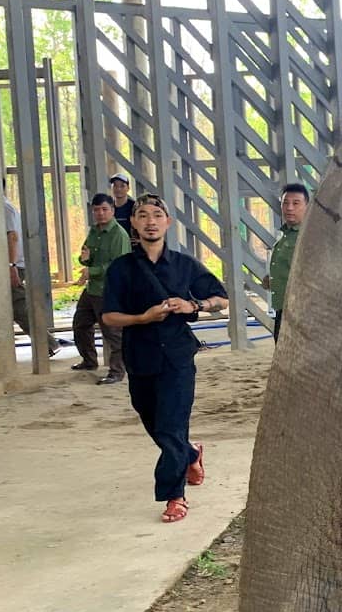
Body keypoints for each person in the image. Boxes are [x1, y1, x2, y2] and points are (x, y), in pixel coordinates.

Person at [102, 194, 228, 523]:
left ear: (168, 222)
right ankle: (192, 453)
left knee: (171, 427)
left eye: (157, 215)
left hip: (177, 357)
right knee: (154, 423)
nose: (151, 221)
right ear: (133, 222)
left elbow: (221, 299)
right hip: (139, 356)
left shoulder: (185, 264)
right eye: (143, 215)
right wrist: (142, 318)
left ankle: (174, 496)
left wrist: (193, 306)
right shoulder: (121, 268)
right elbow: (109, 316)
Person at [71, 192, 133, 383]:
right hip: (92, 289)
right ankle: (89, 361)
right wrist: (85, 260)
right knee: (80, 325)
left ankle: (117, 372)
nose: (100, 213)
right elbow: (85, 256)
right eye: (96, 210)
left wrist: (92, 271)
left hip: (109, 291)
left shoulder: (119, 235)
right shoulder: (94, 231)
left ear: (112, 211)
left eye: (104, 209)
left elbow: (118, 266)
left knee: (113, 333)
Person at [3, 186, 59, 357]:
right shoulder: (6, 207)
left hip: (13, 266)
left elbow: (12, 237)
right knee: (18, 308)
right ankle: (48, 344)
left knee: (20, 309)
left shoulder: (4, 208)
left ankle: (48, 344)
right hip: (12, 265)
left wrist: (11, 265)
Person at [263, 182, 309, 340]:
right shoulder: (286, 235)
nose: (289, 208)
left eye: (296, 203)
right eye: (285, 203)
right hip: (283, 308)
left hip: (302, 311)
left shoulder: (307, 236)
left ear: (307, 206)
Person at [108, 171, 135, 237]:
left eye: (122, 186)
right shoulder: (108, 207)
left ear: (128, 188)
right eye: (115, 185)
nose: (118, 189)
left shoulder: (134, 207)